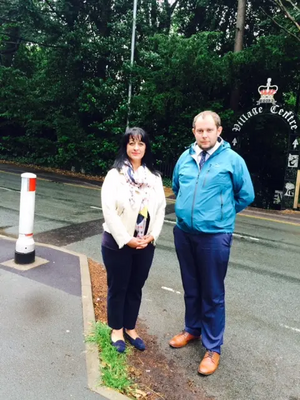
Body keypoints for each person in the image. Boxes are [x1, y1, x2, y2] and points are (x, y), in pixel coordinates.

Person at [169, 111, 254, 375]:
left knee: (213, 293)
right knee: (191, 287)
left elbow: (246, 195)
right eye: (199, 130)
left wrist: (220, 216)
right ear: (193, 131)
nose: (204, 135)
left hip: (215, 236)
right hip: (184, 233)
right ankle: (192, 329)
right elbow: (176, 187)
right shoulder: (185, 157)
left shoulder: (232, 160)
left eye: (209, 130)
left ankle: (213, 347)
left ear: (219, 130)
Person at [101, 127, 166, 353]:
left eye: (140, 143)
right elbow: (108, 211)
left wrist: (152, 236)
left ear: (146, 147)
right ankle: (116, 329)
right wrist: (127, 239)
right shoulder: (114, 175)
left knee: (135, 287)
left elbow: (160, 210)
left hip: (145, 243)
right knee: (118, 286)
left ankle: (130, 327)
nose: (136, 148)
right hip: (118, 243)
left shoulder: (154, 177)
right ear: (125, 146)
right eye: (131, 143)